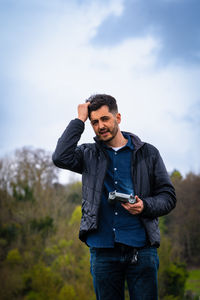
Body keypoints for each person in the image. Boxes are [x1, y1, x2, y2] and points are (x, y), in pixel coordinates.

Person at [52, 94, 176, 300]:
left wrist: (145, 206)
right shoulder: (88, 154)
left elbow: (168, 197)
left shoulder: (148, 153)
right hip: (102, 250)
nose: (100, 126)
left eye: (105, 119)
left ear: (118, 117)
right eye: (94, 122)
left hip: (142, 249)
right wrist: (78, 120)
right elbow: (60, 157)